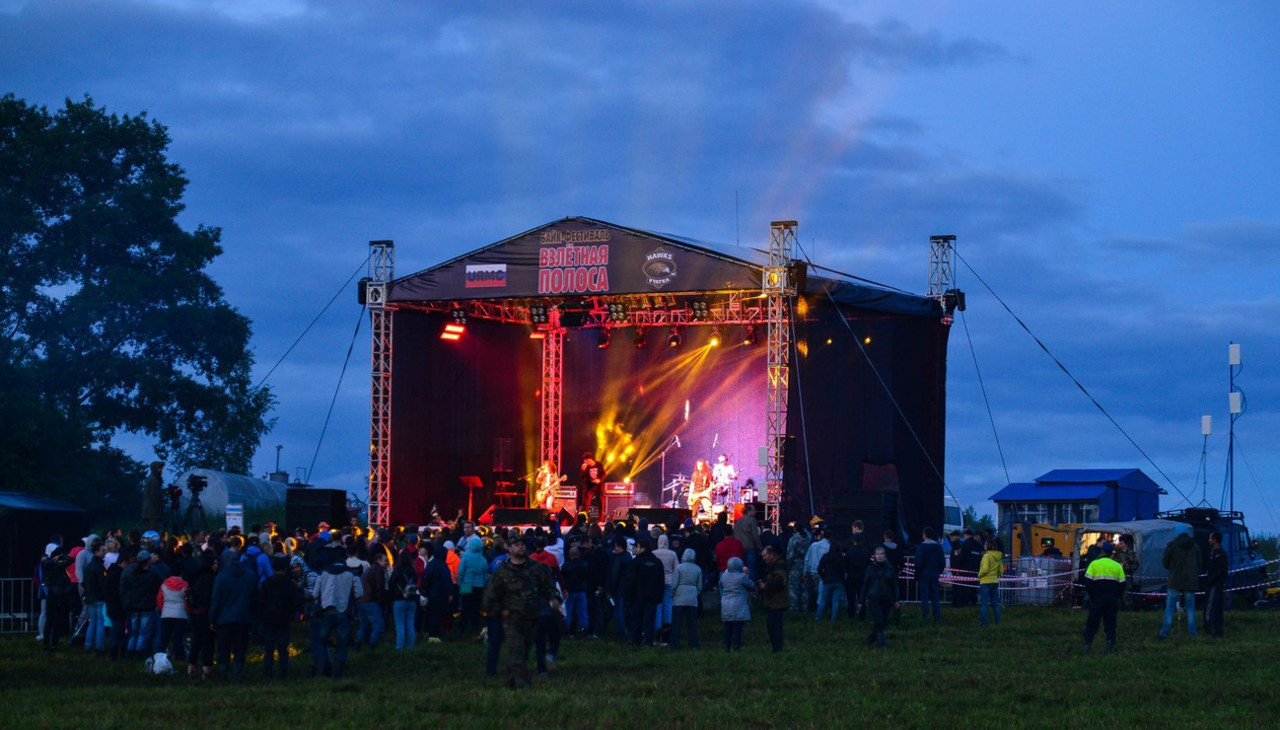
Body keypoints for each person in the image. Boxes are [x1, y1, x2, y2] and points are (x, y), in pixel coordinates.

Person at [483, 537, 558, 689]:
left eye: (523, 544)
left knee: (523, 651)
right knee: (516, 650)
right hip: (512, 618)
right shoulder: (503, 571)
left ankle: (511, 682)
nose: (521, 547)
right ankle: (523, 685)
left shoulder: (535, 567)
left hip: (531, 617)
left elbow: (546, 586)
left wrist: (554, 598)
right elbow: (490, 595)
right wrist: (499, 611)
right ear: (509, 548)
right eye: (516, 545)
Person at [311, 546, 364, 677]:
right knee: (342, 643)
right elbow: (359, 594)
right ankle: (338, 672)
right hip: (344, 612)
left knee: (321, 641)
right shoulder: (352, 573)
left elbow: (314, 594)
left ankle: (321, 670)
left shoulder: (323, 572)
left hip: (325, 611)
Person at [209, 551, 257, 679]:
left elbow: (216, 600)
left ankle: (223, 675)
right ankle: (238, 674)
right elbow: (254, 598)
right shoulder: (250, 576)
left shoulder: (221, 577)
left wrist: (213, 620)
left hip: (224, 619)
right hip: (244, 618)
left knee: (223, 649)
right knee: (240, 648)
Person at [1081, 540, 1125, 653]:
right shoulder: (1117, 566)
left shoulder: (1094, 564)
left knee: (1092, 623)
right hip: (1111, 600)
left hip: (1097, 599)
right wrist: (1116, 596)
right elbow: (1122, 584)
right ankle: (1109, 646)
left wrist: (1092, 596)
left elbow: (1087, 582)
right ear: (1112, 553)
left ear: (1101, 552)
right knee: (1110, 623)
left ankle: (1087, 645)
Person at [258, 555, 298, 678]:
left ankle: (267, 672)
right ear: (286, 569)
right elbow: (294, 603)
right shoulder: (290, 584)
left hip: (269, 618)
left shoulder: (267, 583)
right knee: (283, 648)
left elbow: (261, 602)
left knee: (268, 648)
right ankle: (283, 672)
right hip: (284, 618)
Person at [1157, 531, 1199, 640]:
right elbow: (1200, 562)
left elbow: (1165, 563)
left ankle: (1164, 633)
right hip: (1190, 581)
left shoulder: (1172, 546)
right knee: (1190, 608)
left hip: (1174, 581)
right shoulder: (1194, 546)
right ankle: (1193, 634)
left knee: (1170, 608)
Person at [628, 539, 665, 647]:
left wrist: (628, 595)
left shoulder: (635, 562)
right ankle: (649, 641)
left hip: (638, 596)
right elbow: (661, 580)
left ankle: (636, 641)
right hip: (652, 596)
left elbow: (630, 580)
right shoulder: (657, 562)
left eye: (638, 547)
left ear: (642, 548)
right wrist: (660, 594)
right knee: (649, 620)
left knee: (637, 620)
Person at [861, 546, 898, 648]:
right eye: (877, 554)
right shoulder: (870, 569)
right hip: (874, 598)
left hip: (887, 598)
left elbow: (894, 585)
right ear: (874, 556)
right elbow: (865, 584)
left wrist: (896, 599)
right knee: (879, 620)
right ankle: (881, 644)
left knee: (883, 621)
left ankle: (871, 639)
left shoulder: (890, 569)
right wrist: (861, 600)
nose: (879, 556)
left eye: (881, 554)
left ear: (885, 555)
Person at [39, 546, 74, 651]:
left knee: (49, 619)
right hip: (59, 594)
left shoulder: (47, 563)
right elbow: (71, 559)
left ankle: (46, 642)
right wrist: (61, 556)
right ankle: (54, 643)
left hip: (51, 593)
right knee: (57, 620)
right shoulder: (59, 565)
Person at [670, 548, 702, 650]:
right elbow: (699, 586)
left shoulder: (679, 568)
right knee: (692, 623)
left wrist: (673, 593)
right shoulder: (698, 569)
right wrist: (695, 593)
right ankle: (694, 644)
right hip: (692, 599)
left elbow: (674, 583)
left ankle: (675, 644)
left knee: (676, 623)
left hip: (679, 598)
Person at [455, 537, 488, 637]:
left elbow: (460, 572)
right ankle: (475, 630)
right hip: (478, 587)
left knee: (465, 609)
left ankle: (462, 630)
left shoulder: (466, 557)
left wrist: (460, 584)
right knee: (476, 609)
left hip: (466, 585)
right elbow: (484, 575)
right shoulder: (482, 559)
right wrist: (483, 585)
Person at [758, 545, 788, 652]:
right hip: (773, 602)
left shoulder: (779, 567)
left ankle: (777, 649)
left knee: (775, 627)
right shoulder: (775, 566)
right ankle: (776, 648)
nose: (764, 558)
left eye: (765, 555)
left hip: (777, 602)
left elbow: (779, 582)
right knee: (772, 627)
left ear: (772, 554)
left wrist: (765, 586)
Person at [719, 556, 751, 651]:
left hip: (726, 604)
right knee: (737, 629)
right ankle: (736, 647)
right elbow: (751, 585)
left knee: (727, 628)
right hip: (739, 605)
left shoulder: (723, 576)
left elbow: (720, 585)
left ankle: (726, 647)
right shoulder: (742, 577)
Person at [652, 533, 679, 642]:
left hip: (658, 581)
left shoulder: (654, 553)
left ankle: (657, 629)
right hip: (670, 581)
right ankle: (667, 628)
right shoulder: (672, 554)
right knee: (668, 605)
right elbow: (677, 569)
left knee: (658, 605)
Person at [389, 555, 420, 651]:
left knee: (400, 625)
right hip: (411, 600)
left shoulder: (397, 571)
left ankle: (399, 648)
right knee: (410, 624)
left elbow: (391, 584)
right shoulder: (413, 572)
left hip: (398, 600)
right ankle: (410, 647)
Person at [915, 527, 945, 623]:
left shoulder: (920, 547)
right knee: (935, 597)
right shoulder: (938, 547)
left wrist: (918, 573)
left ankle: (925, 616)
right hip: (934, 575)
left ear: (924, 535)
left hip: (923, 575)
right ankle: (937, 616)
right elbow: (942, 562)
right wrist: (938, 571)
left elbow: (918, 562)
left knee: (924, 596)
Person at [815, 540, 847, 622]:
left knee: (823, 601)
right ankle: (833, 620)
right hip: (838, 581)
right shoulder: (840, 557)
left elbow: (819, 569)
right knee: (835, 601)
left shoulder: (825, 556)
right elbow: (844, 570)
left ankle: (817, 618)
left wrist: (823, 577)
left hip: (827, 581)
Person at [1204, 531, 1228, 638]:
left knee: (1212, 606)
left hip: (1215, 585)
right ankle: (1218, 630)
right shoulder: (1213, 553)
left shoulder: (1220, 554)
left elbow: (1220, 571)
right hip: (1216, 584)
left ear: (1215, 540)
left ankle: (1210, 628)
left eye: (1210, 538)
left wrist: (1211, 581)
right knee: (1217, 607)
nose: (1209, 540)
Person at [977, 540, 1004, 628]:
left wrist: (979, 575)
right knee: (995, 604)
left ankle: (984, 624)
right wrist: (995, 576)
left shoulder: (986, 556)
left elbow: (985, 569)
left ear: (987, 546)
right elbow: (1001, 570)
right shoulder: (998, 556)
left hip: (985, 582)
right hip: (994, 581)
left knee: (984, 604)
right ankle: (998, 622)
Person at [844, 533, 871, 620]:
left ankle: (850, 615)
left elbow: (846, 565)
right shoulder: (866, 552)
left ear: (853, 540)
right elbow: (868, 564)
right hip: (862, 577)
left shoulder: (849, 551)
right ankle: (862, 615)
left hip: (851, 576)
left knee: (851, 597)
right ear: (862, 541)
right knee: (862, 596)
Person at [786, 524, 812, 611]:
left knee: (793, 588)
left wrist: (788, 567)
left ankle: (794, 609)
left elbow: (790, 556)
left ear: (794, 529)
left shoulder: (793, 540)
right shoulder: (809, 538)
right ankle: (805, 608)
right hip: (806, 565)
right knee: (805, 588)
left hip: (795, 565)